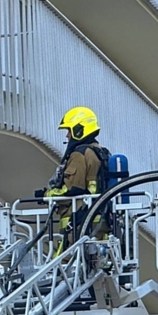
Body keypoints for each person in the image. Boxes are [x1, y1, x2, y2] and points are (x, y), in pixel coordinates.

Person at [43, 106, 110, 252]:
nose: (67, 136)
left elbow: (72, 188)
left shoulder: (79, 154)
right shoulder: (98, 152)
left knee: (66, 263)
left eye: (69, 130)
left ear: (79, 130)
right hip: (97, 219)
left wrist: (48, 194)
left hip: (79, 220)